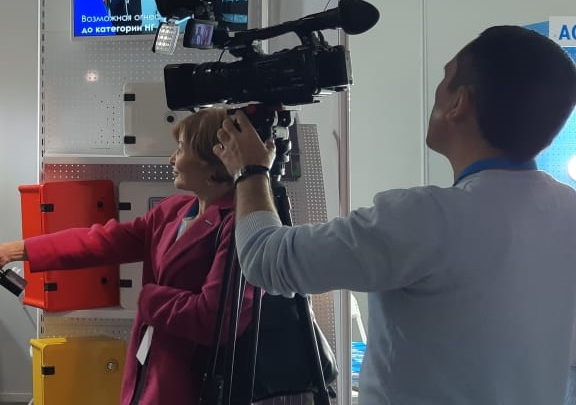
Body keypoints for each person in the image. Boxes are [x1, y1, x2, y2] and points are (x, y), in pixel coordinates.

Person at [214, 25, 576, 404]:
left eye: (445, 78)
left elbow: (266, 260)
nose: (437, 90)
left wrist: (250, 171)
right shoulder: (567, 211)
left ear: (459, 103)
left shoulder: (426, 219)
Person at [0, 107, 254, 405]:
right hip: (153, 365)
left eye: (181, 149)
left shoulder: (239, 224)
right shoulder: (173, 210)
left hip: (197, 380)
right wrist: (14, 250)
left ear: (214, 160)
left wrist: (149, 298)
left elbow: (214, 318)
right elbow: (100, 242)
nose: (172, 159)